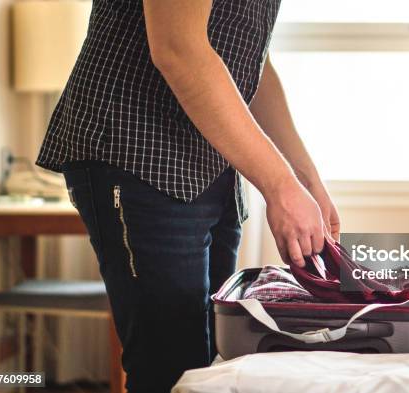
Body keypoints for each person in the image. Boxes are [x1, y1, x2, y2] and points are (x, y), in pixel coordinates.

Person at [36, 1, 340, 392]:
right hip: (136, 150)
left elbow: (249, 59)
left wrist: (304, 179)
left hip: (211, 166)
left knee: (214, 363)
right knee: (169, 368)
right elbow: (178, 48)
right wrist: (280, 187)